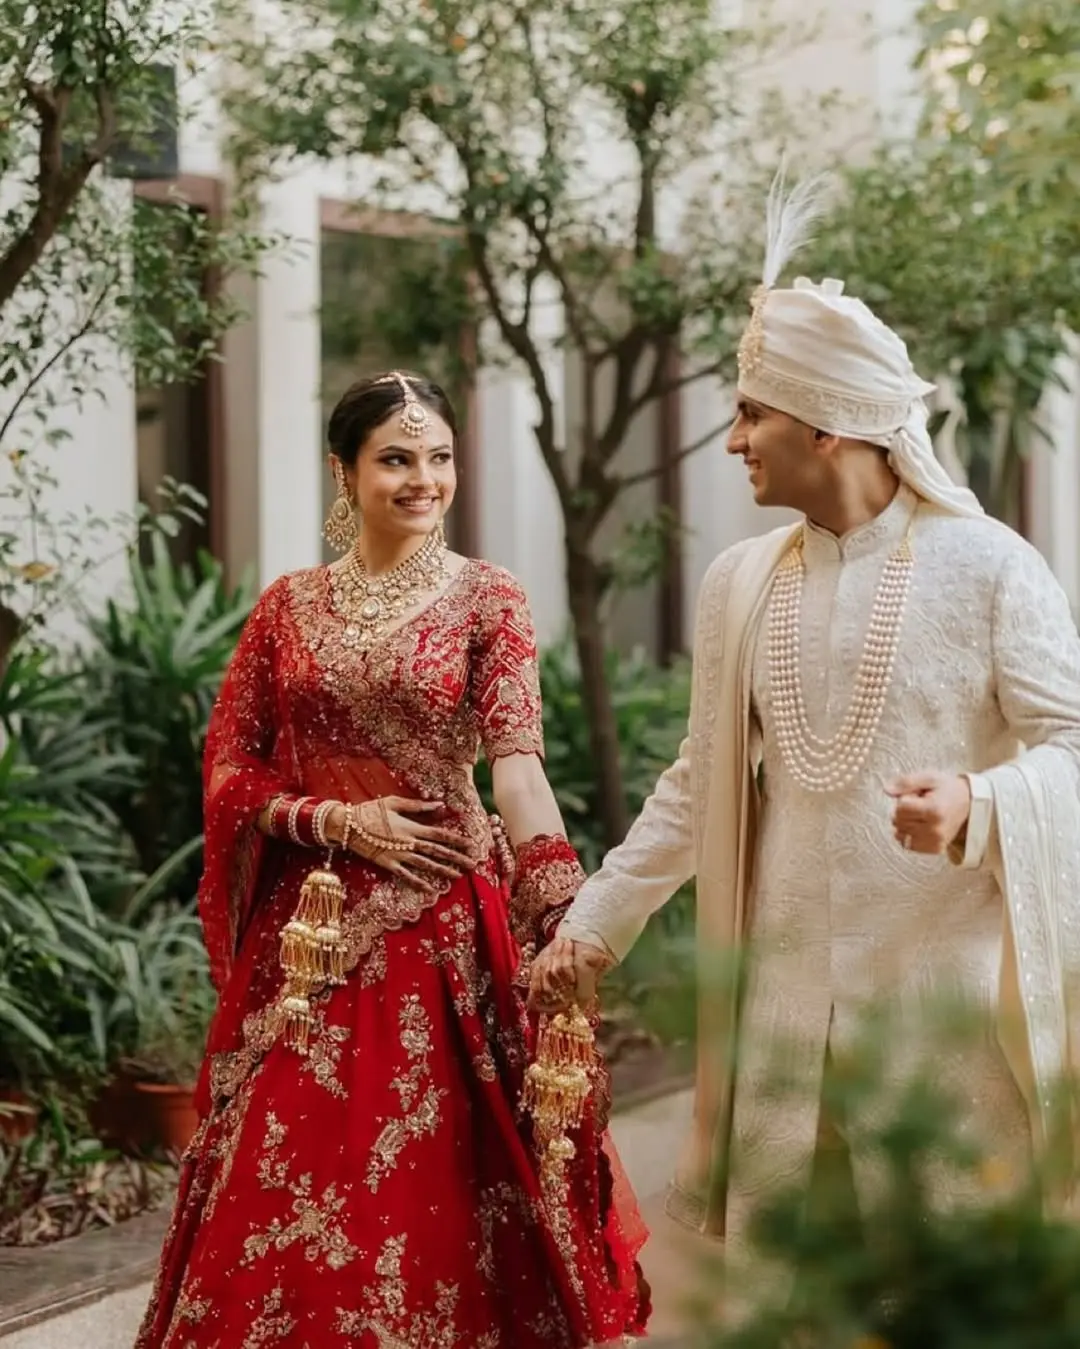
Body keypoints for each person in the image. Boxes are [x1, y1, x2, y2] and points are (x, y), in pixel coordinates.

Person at [530, 180, 1080, 1258]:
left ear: (828, 426)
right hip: (782, 1009)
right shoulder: (741, 580)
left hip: (936, 1018)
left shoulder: (991, 567)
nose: (733, 439)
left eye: (751, 413)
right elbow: (701, 783)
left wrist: (979, 799)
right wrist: (595, 923)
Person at [135, 371, 649, 1349]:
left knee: (438, 1177)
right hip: (313, 938)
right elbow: (230, 767)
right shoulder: (289, 608)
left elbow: (520, 770)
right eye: (397, 458)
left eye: (441, 457)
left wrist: (564, 913)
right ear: (346, 470)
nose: (425, 479)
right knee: (286, 1164)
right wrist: (333, 818)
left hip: (444, 928)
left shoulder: (489, 597)